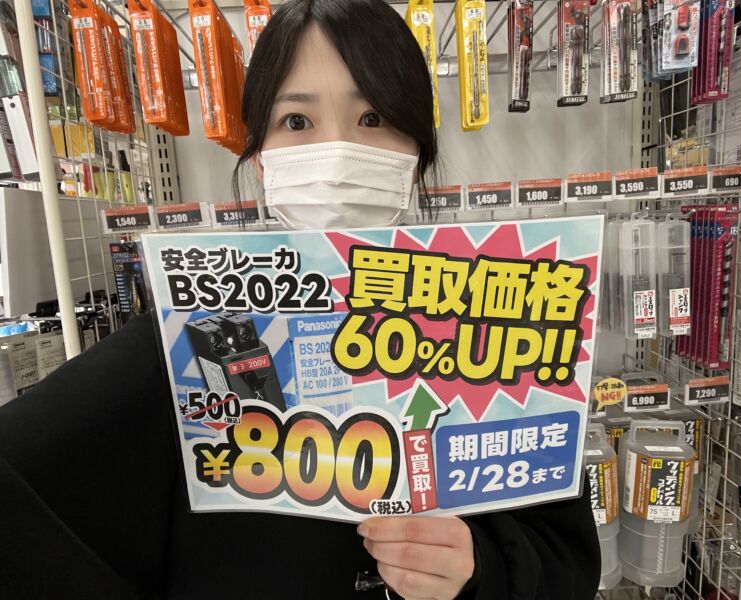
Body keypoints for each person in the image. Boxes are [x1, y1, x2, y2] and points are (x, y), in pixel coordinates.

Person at [0, 0, 600, 598]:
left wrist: (481, 570)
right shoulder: (190, 340)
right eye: (296, 120)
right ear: (261, 159)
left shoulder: (504, 317)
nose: (336, 152)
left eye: (372, 117)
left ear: (417, 156)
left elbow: (568, 563)